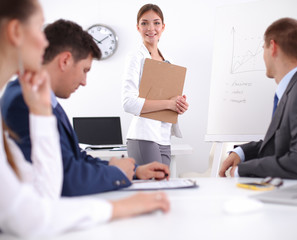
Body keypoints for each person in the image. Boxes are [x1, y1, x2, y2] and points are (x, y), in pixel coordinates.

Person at [0, 0, 169, 237]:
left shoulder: (38, 98)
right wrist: (118, 191)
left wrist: (132, 169)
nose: (44, 42)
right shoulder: (23, 100)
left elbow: (59, 171)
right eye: (39, 28)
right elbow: (57, 187)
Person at [219, 18, 297, 179]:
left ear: (273, 47)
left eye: (263, 48)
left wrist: (242, 170)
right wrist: (241, 152)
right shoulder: (294, 89)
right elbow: (279, 145)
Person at [122, 3, 189, 167]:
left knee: (163, 188)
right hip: (144, 135)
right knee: (152, 188)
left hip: (164, 137)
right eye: (144, 23)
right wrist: (169, 104)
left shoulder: (169, 61)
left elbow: (170, 103)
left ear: (163, 27)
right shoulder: (135, 57)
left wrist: (179, 105)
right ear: (138, 27)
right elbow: (128, 103)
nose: (150, 28)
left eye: (156, 23)